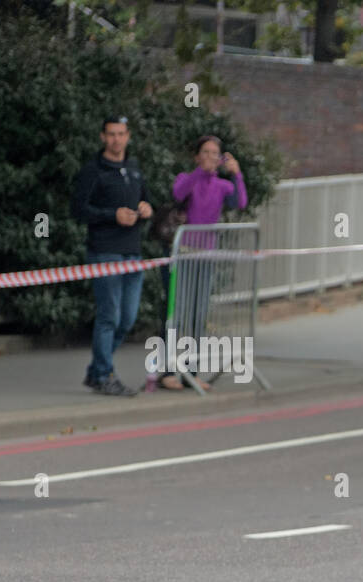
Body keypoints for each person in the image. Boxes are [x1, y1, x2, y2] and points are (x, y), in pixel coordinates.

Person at [158, 134, 248, 390]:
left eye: (214, 153)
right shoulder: (187, 179)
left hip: (205, 256)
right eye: (205, 152)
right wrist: (200, 172)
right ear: (197, 157)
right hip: (182, 254)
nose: (210, 157)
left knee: (198, 314)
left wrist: (236, 174)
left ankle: (191, 370)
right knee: (176, 313)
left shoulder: (221, 185)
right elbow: (178, 193)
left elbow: (240, 202)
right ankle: (167, 371)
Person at [71, 115, 152, 397]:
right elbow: (78, 210)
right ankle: (104, 374)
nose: (116, 139)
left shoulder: (134, 168)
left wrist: (146, 209)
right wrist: (112, 215)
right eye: (111, 134)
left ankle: (96, 371)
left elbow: (146, 198)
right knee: (109, 317)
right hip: (105, 251)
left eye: (121, 134)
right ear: (103, 137)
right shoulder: (93, 170)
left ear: (128, 136)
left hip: (133, 252)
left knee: (127, 319)